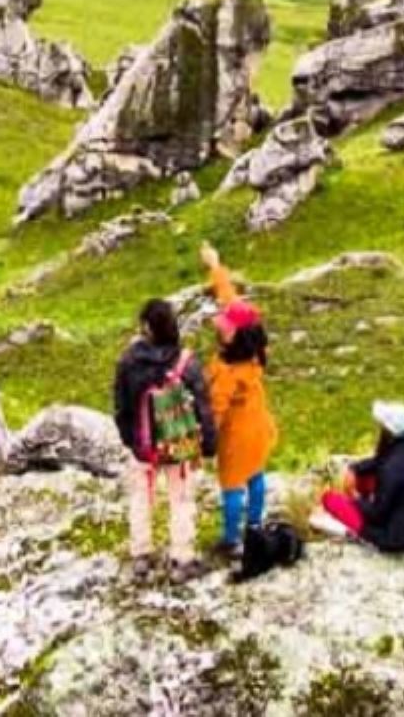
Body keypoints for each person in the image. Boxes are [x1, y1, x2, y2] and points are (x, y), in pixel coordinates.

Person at [113, 298, 217, 576]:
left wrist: (130, 440)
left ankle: (141, 554)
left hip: (142, 445)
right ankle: (182, 558)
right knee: (181, 498)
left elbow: (122, 406)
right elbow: (203, 407)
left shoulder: (128, 361)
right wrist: (208, 443)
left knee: (140, 497)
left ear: (146, 327)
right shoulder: (186, 362)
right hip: (178, 443)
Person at [200, 241, 277, 558]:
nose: (221, 319)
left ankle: (232, 539)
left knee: (232, 485)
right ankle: (255, 524)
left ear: (234, 335)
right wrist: (215, 264)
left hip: (236, 437)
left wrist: (205, 441)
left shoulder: (228, 374)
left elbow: (215, 411)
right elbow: (228, 296)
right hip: (259, 427)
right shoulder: (252, 354)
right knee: (256, 474)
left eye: (225, 322)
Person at [310, 401, 404, 554]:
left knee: (330, 500)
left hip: (397, 540)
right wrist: (354, 469)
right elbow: (379, 461)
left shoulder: (390, 469)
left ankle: (353, 532)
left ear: (387, 430)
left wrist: (354, 498)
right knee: (366, 478)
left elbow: (376, 515)